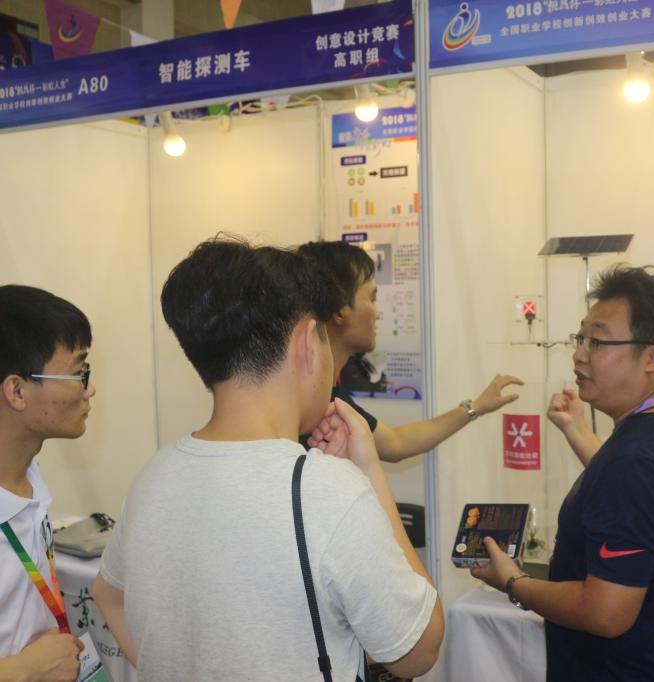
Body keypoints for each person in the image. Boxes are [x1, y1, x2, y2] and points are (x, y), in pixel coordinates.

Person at [91, 237, 444, 681]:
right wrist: (370, 472)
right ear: (307, 343)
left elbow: (108, 595)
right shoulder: (328, 490)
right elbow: (418, 649)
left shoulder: (154, 475)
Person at [471, 265, 654, 681]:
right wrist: (577, 430)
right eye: (580, 338)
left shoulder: (637, 461)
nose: (579, 354)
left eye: (598, 342)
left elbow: (605, 613)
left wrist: (514, 582)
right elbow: (635, 500)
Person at [296, 240, 523, 461]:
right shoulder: (307, 404)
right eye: (372, 299)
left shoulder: (332, 397)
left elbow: (396, 443)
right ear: (340, 311)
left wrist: (476, 407)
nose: (378, 313)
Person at [0, 285, 94, 682]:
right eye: (77, 373)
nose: (89, 389)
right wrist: (23, 670)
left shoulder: (28, 476)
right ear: (17, 391)